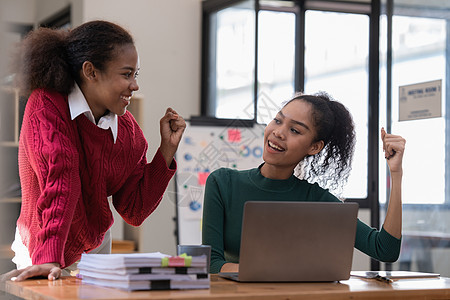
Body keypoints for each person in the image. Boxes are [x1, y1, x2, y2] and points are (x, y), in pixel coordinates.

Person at [7, 20, 186, 281]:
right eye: (126, 74)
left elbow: (134, 209)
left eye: (136, 75)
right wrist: (49, 260)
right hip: (42, 246)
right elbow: (61, 180)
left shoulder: (128, 132)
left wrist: (166, 151)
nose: (134, 86)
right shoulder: (46, 105)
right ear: (90, 71)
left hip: (95, 251)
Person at [202, 92, 405, 274]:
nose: (279, 132)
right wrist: (275, 272)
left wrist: (396, 174)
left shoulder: (317, 200)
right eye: (277, 120)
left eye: (295, 131)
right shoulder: (222, 183)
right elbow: (211, 264)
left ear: (314, 147)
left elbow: (385, 250)